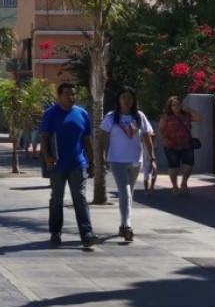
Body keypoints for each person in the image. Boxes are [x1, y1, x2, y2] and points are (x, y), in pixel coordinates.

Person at [39, 82, 100, 250]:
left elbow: (87, 140)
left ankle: (87, 234)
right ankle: (55, 231)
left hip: (78, 163)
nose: (71, 97)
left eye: (73, 94)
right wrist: (48, 157)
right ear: (59, 96)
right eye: (67, 94)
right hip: (57, 164)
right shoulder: (50, 114)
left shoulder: (82, 114)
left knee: (80, 198)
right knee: (57, 199)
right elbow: (44, 138)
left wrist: (92, 161)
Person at [99, 86, 155, 242]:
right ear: (118, 99)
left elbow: (147, 136)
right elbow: (103, 138)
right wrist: (101, 157)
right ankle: (128, 225)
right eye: (123, 97)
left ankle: (123, 224)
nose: (126, 100)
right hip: (117, 160)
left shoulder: (139, 116)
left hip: (135, 160)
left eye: (129, 97)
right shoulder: (111, 117)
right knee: (125, 192)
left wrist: (152, 157)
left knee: (129, 194)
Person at [158, 96, 202, 194]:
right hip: (171, 145)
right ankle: (174, 186)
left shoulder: (186, 115)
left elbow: (199, 118)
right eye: (173, 105)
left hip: (186, 144)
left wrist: (190, 110)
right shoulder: (166, 117)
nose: (176, 107)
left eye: (178, 104)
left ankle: (184, 183)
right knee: (174, 166)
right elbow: (161, 130)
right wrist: (165, 140)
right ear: (170, 107)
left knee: (189, 165)